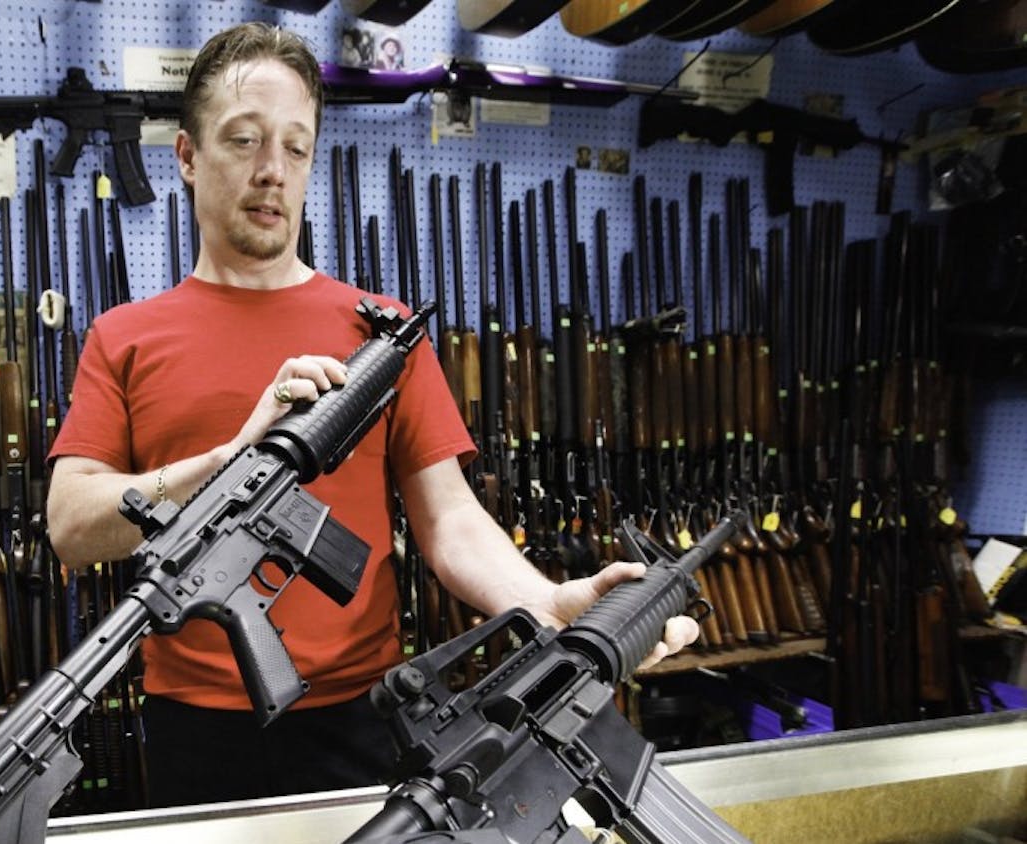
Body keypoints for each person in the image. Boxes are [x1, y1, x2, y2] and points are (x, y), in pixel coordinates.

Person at [45, 21, 699, 809]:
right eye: (244, 140)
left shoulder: (376, 336)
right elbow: (71, 526)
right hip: (194, 725)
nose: (272, 170)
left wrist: (544, 602)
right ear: (187, 156)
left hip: (365, 715)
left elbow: (450, 521)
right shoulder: (124, 337)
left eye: (295, 147)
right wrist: (227, 464)